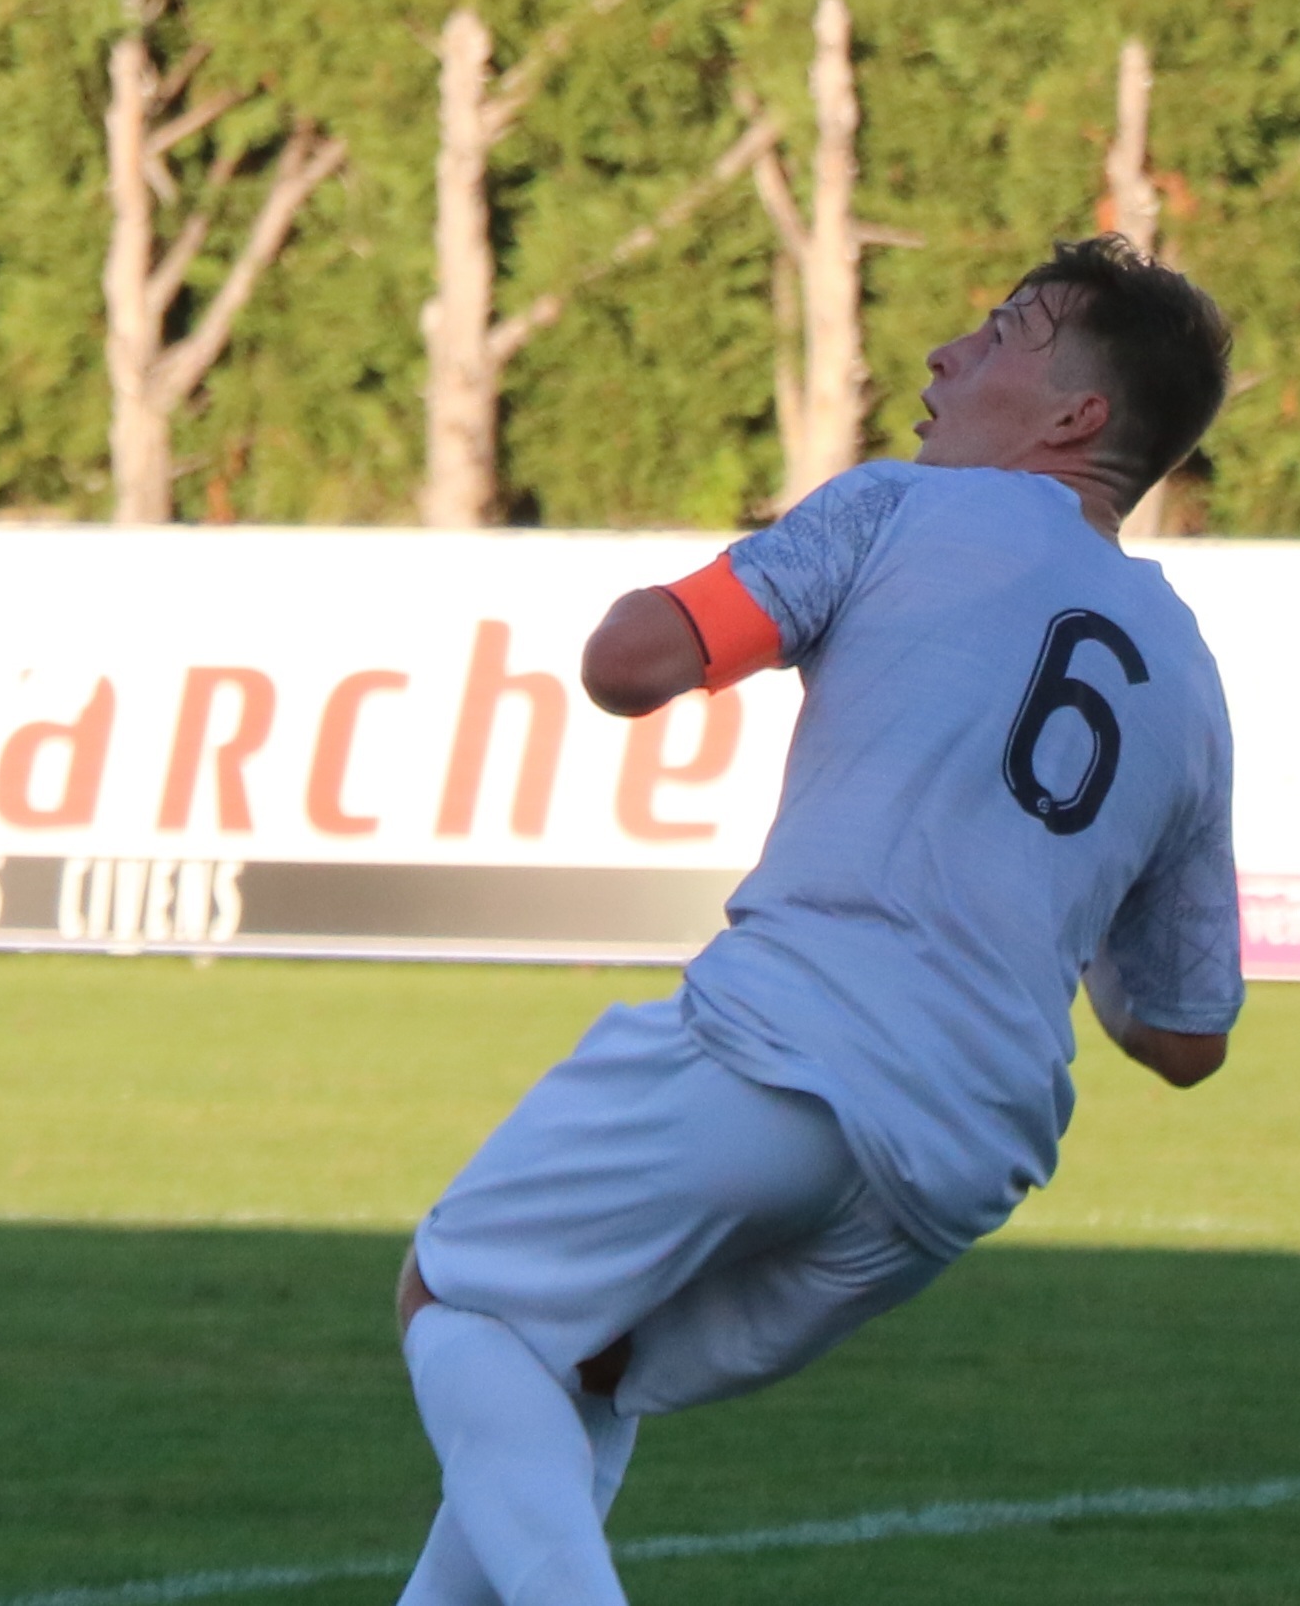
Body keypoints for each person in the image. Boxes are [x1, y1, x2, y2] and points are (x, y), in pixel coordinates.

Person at [386, 237, 1244, 1606]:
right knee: (578, 1360)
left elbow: (629, 663)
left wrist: (706, 589)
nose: (945, 354)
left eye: (1000, 333)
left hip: (785, 1048)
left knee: (456, 1298)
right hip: (960, 1156)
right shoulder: (1188, 683)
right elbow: (1184, 1036)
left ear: (1075, 415)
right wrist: (1034, 884)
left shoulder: (898, 505)